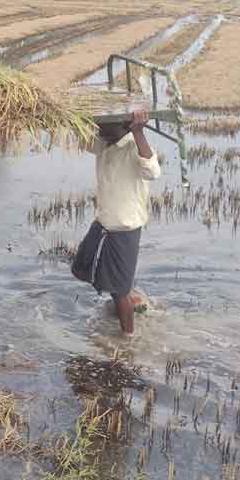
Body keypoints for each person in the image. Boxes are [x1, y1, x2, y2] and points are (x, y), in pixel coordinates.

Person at [71, 108, 160, 335]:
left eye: (105, 125)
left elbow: (153, 171)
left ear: (123, 126)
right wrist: (69, 117)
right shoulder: (105, 145)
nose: (100, 129)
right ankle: (131, 296)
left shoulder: (133, 146)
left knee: (119, 291)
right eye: (99, 126)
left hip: (123, 230)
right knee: (82, 266)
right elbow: (82, 139)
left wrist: (139, 132)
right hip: (103, 225)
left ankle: (128, 338)